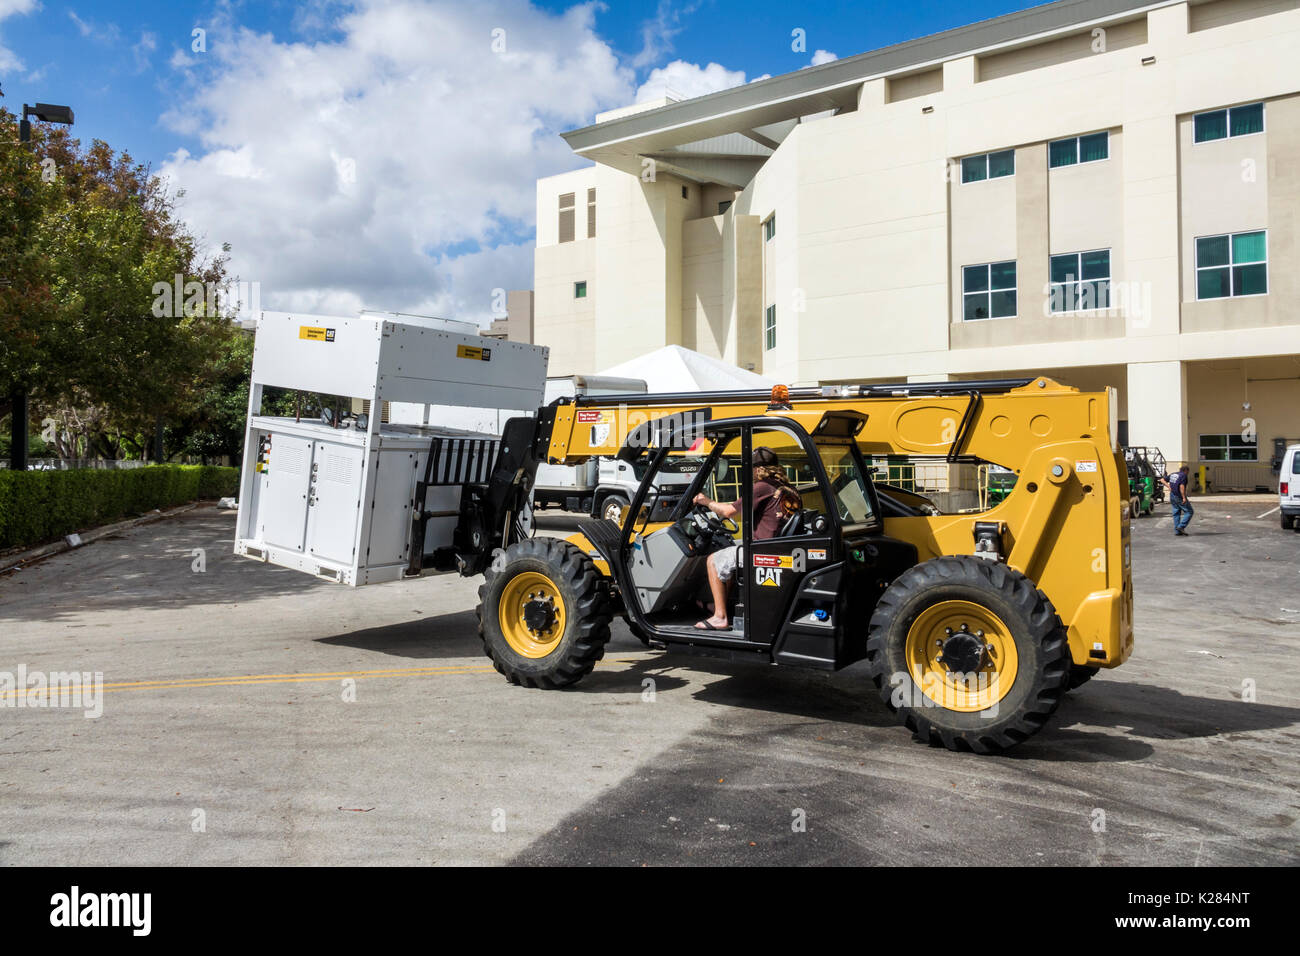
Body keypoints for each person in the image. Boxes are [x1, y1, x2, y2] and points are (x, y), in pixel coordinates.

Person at [691, 447, 800, 630]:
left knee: (713, 560)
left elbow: (729, 512)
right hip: (778, 547)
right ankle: (721, 605)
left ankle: (720, 616)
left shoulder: (762, 486)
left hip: (762, 551)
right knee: (732, 553)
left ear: (757, 469)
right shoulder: (788, 489)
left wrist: (706, 501)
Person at [1163, 464, 1194, 536]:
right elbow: (1182, 486)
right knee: (1189, 511)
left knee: (1176, 513)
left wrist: (1169, 486)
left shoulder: (1173, 474)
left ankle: (1177, 532)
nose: (1188, 473)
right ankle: (1181, 527)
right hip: (1178, 496)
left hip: (1172, 495)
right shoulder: (1183, 475)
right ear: (1186, 470)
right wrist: (1184, 497)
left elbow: (1162, 480)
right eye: (1188, 472)